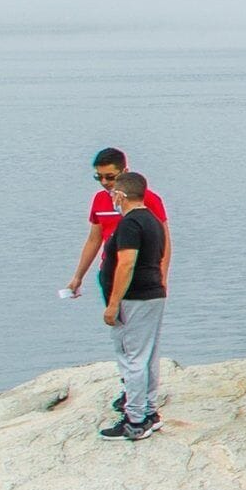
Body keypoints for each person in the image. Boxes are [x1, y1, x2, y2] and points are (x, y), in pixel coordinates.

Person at [100, 172, 171, 440]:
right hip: (153, 294)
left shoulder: (130, 223)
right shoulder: (152, 221)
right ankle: (149, 411)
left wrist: (113, 303)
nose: (112, 198)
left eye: (113, 193)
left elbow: (126, 264)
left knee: (132, 358)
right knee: (148, 355)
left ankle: (135, 419)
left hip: (135, 298)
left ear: (121, 195)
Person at [63, 147, 171, 301]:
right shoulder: (99, 200)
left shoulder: (147, 199)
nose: (104, 182)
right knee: (115, 315)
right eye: (99, 177)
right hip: (110, 272)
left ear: (125, 172)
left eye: (110, 177)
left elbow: (164, 241)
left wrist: (162, 278)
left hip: (141, 274)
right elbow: (94, 240)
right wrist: (78, 277)